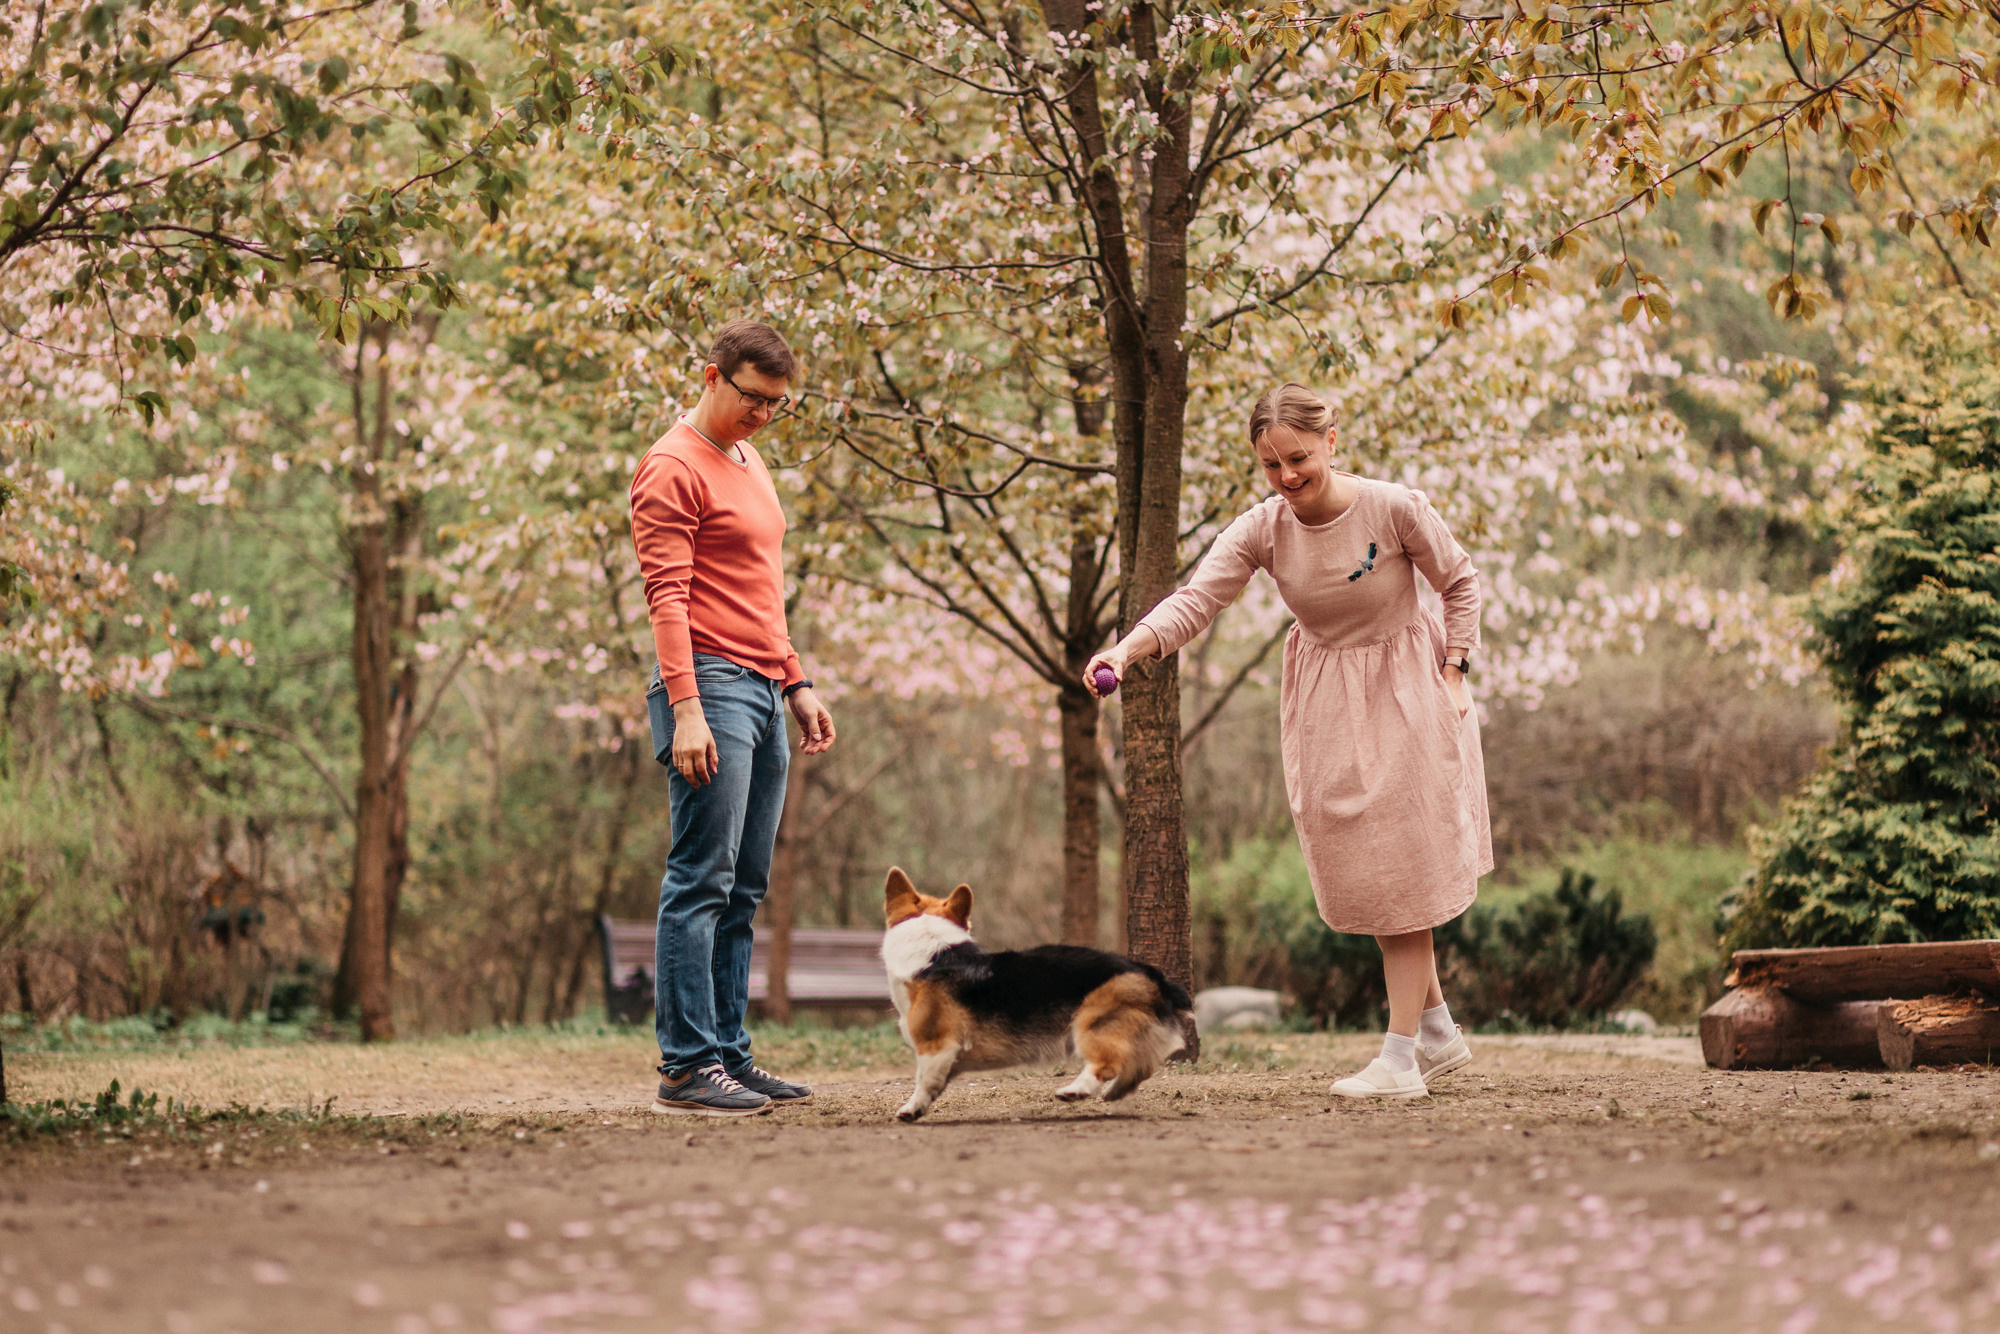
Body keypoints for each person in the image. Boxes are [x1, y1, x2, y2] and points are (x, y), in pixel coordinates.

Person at [1086, 383, 1492, 1099]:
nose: (1288, 477)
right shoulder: (1264, 528)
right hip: (1327, 703)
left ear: (1332, 441)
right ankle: (1437, 1033)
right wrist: (1127, 650)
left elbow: (1459, 582)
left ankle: (1401, 1059)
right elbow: (1196, 599)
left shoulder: (1396, 508)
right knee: (1372, 869)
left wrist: (1455, 668)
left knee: (1402, 870)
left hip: (1407, 690)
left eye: (1299, 458)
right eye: (1272, 466)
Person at [630, 320, 836, 1116]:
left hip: (761, 685)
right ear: (711, 375)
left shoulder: (751, 460)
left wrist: (797, 680)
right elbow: (668, 597)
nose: (763, 416)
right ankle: (685, 1067)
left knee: (745, 886)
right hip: (708, 686)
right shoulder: (671, 467)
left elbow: (761, 590)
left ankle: (728, 1054)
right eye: (753, 399)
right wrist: (686, 709)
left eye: (778, 405)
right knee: (701, 878)